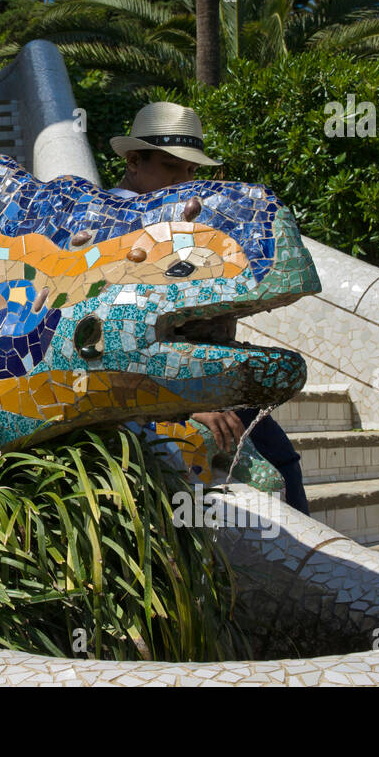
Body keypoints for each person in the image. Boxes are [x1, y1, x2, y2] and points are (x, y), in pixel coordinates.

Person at [109, 101, 310, 513]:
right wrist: (191, 402)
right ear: (133, 160)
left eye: (191, 170)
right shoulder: (109, 222)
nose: (185, 180)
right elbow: (113, 332)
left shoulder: (186, 221)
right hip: (142, 395)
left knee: (283, 459)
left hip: (206, 382)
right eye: (171, 167)